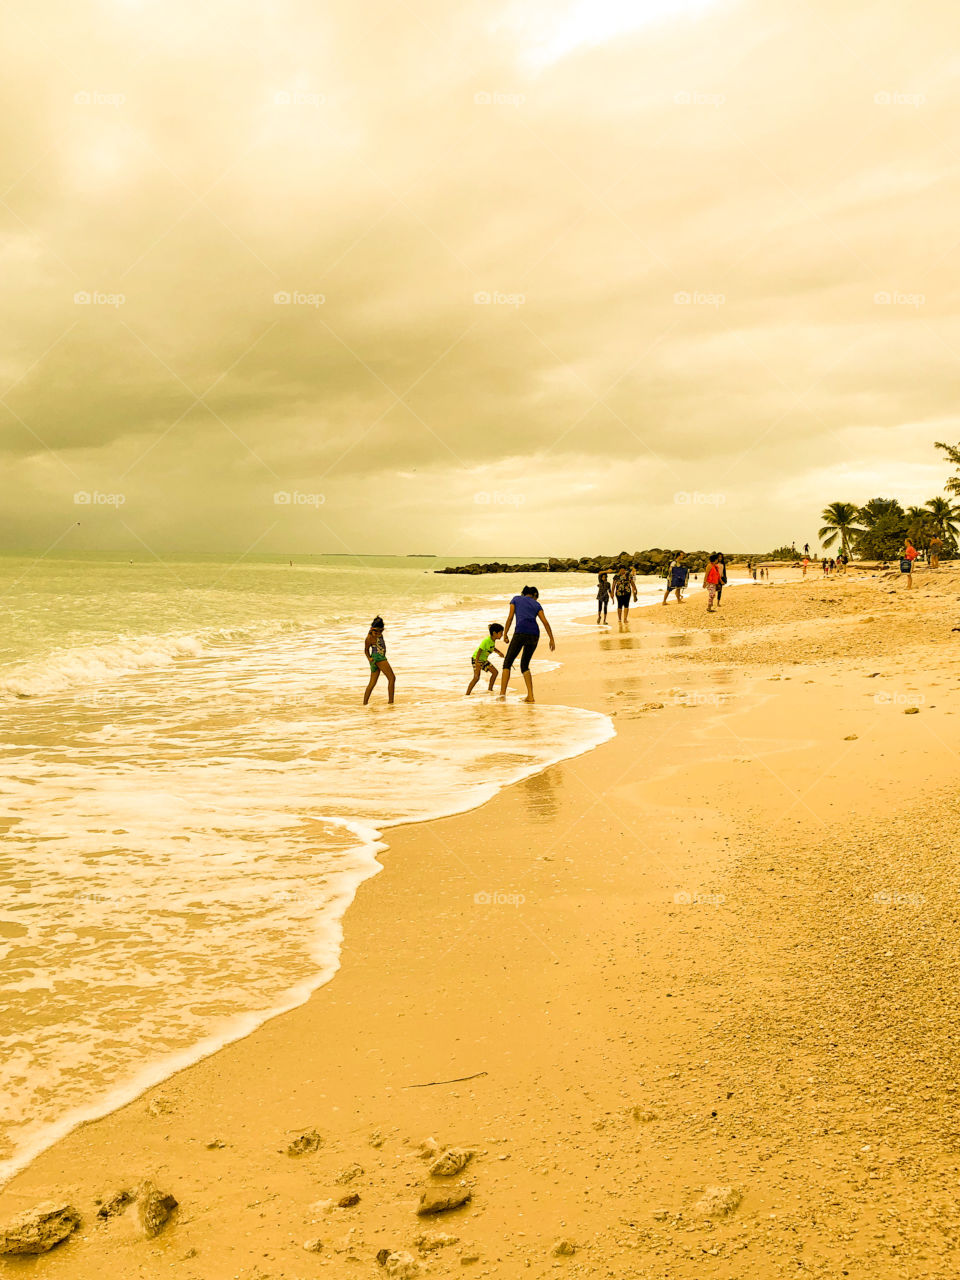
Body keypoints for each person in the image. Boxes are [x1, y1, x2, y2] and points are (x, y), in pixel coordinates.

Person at [500, 586, 555, 703]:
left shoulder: (516, 599)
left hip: (520, 632)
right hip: (534, 634)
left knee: (507, 662)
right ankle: (530, 695)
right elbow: (545, 622)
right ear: (534, 595)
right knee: (525, 665)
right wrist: (551, 639)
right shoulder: (537, 605)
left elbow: (510, 617)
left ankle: (502, 695)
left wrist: (505, 634)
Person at [363, 616, 396, 705]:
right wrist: (369, 658)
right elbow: (366, 650)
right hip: (378, 658)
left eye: (381, 631)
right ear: (372, 629)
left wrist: (371, 660)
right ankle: (391, 702)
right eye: (376, 631)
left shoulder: (377, 634)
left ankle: (364, 704)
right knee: (392, 678)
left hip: (377, 659)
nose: (378, 633)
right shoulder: (369, 637)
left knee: (372, 683)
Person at [466, 622, 505, 695]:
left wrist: (499, 652)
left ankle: (490, 690)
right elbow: (479, 650)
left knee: (495, 673)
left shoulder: (492, 640)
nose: (502, 635)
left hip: (483, 660)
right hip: (476, 659)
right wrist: (477, 662)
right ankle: (467, 694)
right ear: (494, 633)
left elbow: (492, 647)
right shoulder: (486, 640)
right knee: (476, 677)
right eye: (501, 633)